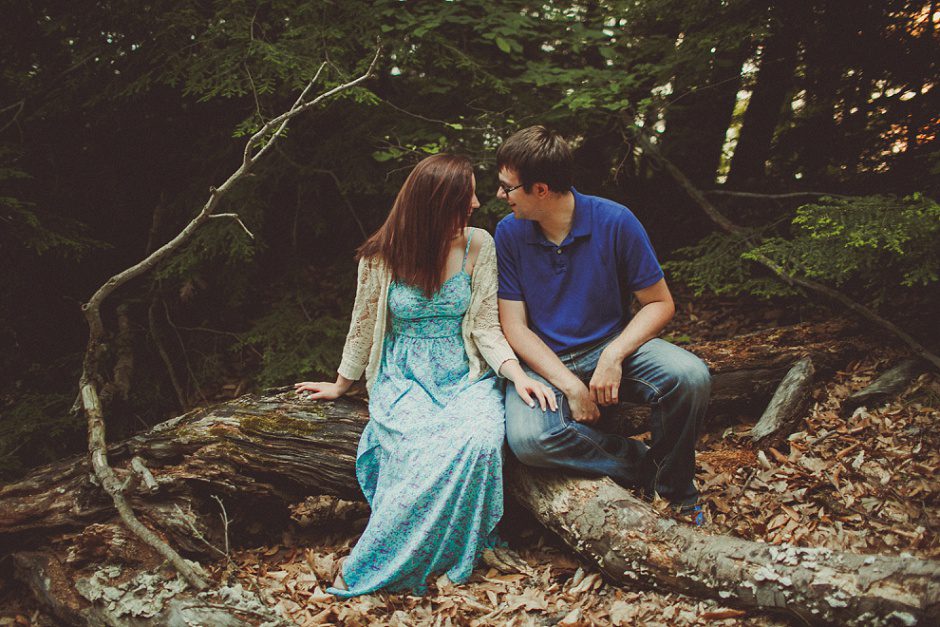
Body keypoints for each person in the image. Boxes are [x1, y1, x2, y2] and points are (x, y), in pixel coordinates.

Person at [295, 153, 555, 598]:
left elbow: (486, 327)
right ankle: (375, 565)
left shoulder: (479, 245)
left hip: (465, 375)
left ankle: (453, 550)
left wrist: (515, 374)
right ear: (436, 203)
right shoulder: (380, 256)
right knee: (414, 457)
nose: (475, 203)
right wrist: (342, 383)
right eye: (464, 196)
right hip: (405, 377)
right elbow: (363, 323)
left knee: (477, 443)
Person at [493, 126, 711, 515]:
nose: (500, 195)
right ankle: (648, 466)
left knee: (689, 376)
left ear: (540, 189)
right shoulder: (509, 233)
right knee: (530, 442)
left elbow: (659, 303)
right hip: (543, 360)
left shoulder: (615, 221)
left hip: (611, 345)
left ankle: (678, 495)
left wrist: (614, 354)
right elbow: (515, 327)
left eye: (508, 187)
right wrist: (571, 388)